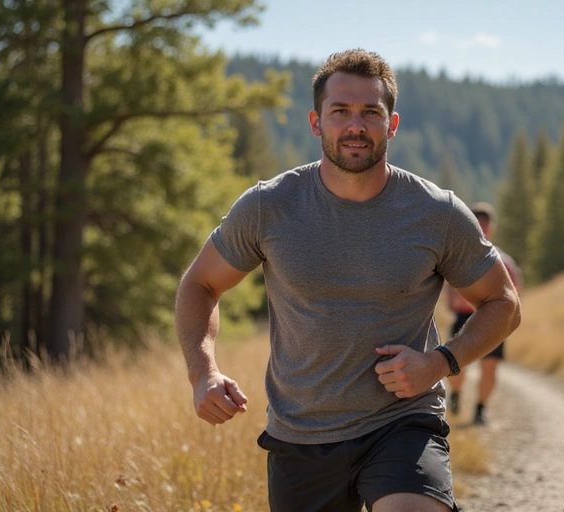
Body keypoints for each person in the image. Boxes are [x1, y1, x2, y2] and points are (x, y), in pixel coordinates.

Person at [175, 48, 521, 512]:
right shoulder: (270, 206)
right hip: (300, 435)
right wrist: (203, 373)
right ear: (316, 122)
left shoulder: (436, 213)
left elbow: (504, 302)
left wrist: (439, 364)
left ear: (391, 125)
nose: (355, 125)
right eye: (340, 111)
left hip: (402, 423)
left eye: (370, 113)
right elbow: (200, 285)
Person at [445, 202, 524, 426]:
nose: (482, 228)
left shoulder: (503, 261)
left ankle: (480, 410)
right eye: (478, 224)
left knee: (490, 366)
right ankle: (457, 393)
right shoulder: (457, 257)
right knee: (454, 363)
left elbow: (516, 290)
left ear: (492, 228)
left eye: (486, 225)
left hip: (493, 318)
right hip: (462, 317)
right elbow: (448, 291)